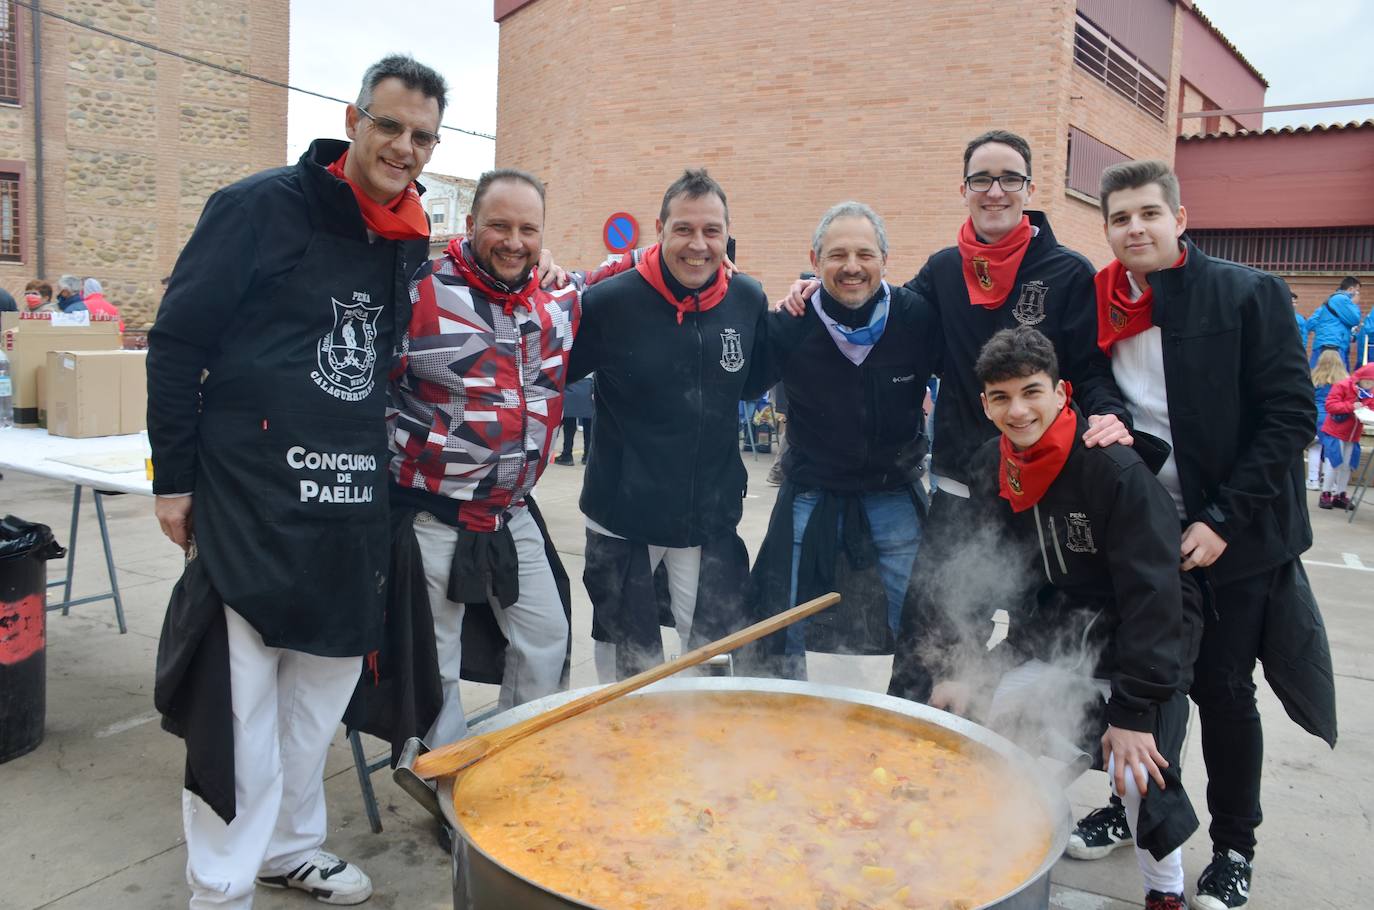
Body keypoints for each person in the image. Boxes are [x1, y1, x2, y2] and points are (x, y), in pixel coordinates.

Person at [147, 54, 447, 908]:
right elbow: (176, 345)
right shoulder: (256, 207)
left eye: (422, 136)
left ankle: (290, 848)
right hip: (251, 491)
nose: (403, 147)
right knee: (237, 707)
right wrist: (174, 479)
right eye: (388, 125)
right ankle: (221, 886)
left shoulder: (411, 233)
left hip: (352, 495)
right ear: (351, 117)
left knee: (319, 694)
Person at [776, 130, 1131, 702]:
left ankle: (1008, 770)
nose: (995, 191)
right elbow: (882, 311)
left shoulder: (1067, 272)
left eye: (1008, 178)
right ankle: (909, 770)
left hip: (1044, 492)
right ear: (963, 189)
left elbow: (1090, 369)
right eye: (981, 180)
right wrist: (816, 292)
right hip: (960, 489)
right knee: (930, 641)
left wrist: (1109, 415)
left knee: (1034, 644)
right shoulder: (942, 272)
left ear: (1029, 188)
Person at [1073, 158, 1335, 910]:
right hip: (1148, 532)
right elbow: (1089, 377)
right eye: (1121, 218)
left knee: (1223, 694)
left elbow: (1292, 417)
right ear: (1108, 229)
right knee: (1148, 694)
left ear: (1180, 218)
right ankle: (1141, 816)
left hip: (1240, 536)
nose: (1136, 228)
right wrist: (1103, 410)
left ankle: (1233, 848)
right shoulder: (1101, 301)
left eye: (1149, 214)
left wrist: (1222, 521)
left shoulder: (1247, 295)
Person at [928, 326, 1201, 910]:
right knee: (981, 717)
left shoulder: (1115, 472)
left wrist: (1131, 712)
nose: (1018, 410)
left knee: (1137, 770)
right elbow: (978, 572)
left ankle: (1165, 893)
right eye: (1001, 397)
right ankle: (1001, 841)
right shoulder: (992, 465)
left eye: (1032, 391)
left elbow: (1157, 599)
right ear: (985, 404)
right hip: (1055, 635)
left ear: (1062, 392)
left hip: (1141, 643)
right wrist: (966, 668)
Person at [390, 168, 631, 752]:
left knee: (547, 637)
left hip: (511, 513)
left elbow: (624, 269)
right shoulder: (415, 289)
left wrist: (694, 252)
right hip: (430, 518)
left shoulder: (557, 296)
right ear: (470, 224)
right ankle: (444, 778)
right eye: (499, 225)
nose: (513, 240)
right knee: (436, 665)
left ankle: (513, 756)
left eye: (528, 228)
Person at [569, 168, 772, 681]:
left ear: (727, 235)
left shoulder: (748, 299)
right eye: (684, 229)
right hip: (623, 512)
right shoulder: (609, 302)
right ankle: (623, 748)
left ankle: (704, 753)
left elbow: (751, 383)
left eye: (711, 231)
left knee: (716, 654)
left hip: (708, 513)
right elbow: (549, 371)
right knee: (625, 661)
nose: (698, 245)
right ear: (659, 228)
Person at [746, 202, 939, 678]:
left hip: (894, 490)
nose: (851, 267)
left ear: (884, 260)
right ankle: (785, 713)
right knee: (781, 615)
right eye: (837, 255)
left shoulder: (916, 317)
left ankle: (914, 719)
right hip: (812, 492)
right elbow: (738, 383)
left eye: (864, 254)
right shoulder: (790, 324)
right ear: (814, 260)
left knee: (920, 615)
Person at [1317, 362, 1374, 510]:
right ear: (1360, 378)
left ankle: (1340, 494)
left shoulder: (1370, 392)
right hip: (1336, 431)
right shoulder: (1343, 385)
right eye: (1368, 381)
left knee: (1347, 465)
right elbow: (1330, 405)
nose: (1369, 385)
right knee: (1333, 463)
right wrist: (1350, 406)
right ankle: (1326, 493)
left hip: (1353, 434)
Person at [1307, 349, 1347, 491]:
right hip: (1335, 418)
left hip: (1316, 416)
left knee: (1315, 447)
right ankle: (1331, 482)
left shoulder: (1313, 377)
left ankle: (1313, 480)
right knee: (1331, 450)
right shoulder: (1344, 380)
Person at [1303, 277, 1360, 368]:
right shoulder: (1342, 299)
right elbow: (1355, 319)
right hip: (1334, 345)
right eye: (1357, 291)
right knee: (1336, 378)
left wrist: (1324, 330)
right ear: (1351, 289)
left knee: (1318, 376)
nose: (1357, 294)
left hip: (1324, 343)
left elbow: (1310, 323)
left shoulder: (1328, 302)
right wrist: (1354, 304)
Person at [555, 376, 594, 465]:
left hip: (571, 384)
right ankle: (588, 456)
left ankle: (567, 455)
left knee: (569, 423)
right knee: (589, 424)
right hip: (589, 387)